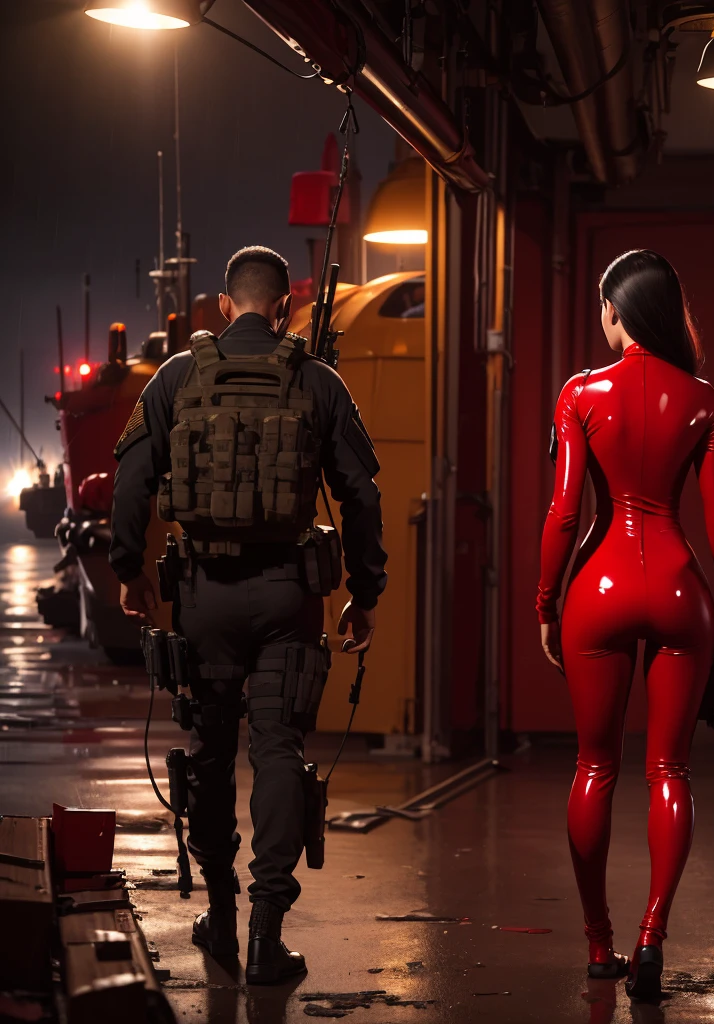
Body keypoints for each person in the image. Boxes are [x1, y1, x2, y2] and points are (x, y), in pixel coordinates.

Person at [110, 245, 387, 985]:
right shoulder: (318, 381)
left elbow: (130, 475)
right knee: (276, 753)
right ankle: (268, 933)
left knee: (207, 753)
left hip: (202, 597)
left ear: (225, 308)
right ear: (288, 306)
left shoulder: (175, 378)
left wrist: (129, 573)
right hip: (287, 598)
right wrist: (367, 590)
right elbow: (361, 494)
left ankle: (221, 914)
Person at [536, 249, 714, 1000]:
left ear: (617, 313)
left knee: (595, 767)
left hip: (601, 584)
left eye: (603, 307)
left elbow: (564, 514)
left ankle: (601, 946)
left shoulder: (581, 392)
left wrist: (544, 600)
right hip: (684, 591)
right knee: (671, 771)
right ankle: (653, 937)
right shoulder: (705, 398)